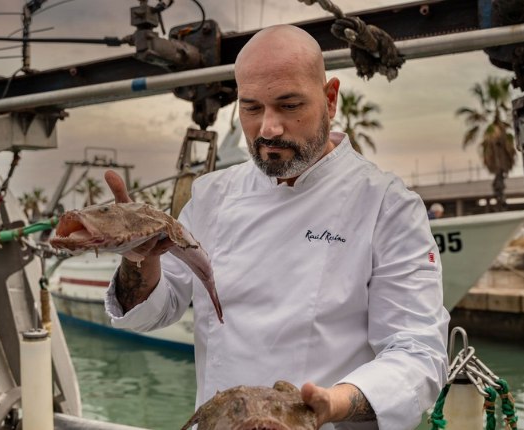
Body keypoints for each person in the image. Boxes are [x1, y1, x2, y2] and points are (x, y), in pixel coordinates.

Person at [103, 25, 449, 430]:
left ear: (330, 98)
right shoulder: (212, 195)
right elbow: (150, 315)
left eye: (289, 105)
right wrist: (137, 258)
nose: (268, 128)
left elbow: (419, 354)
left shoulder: (386, 205)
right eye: (251, 108)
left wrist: (331, 404)